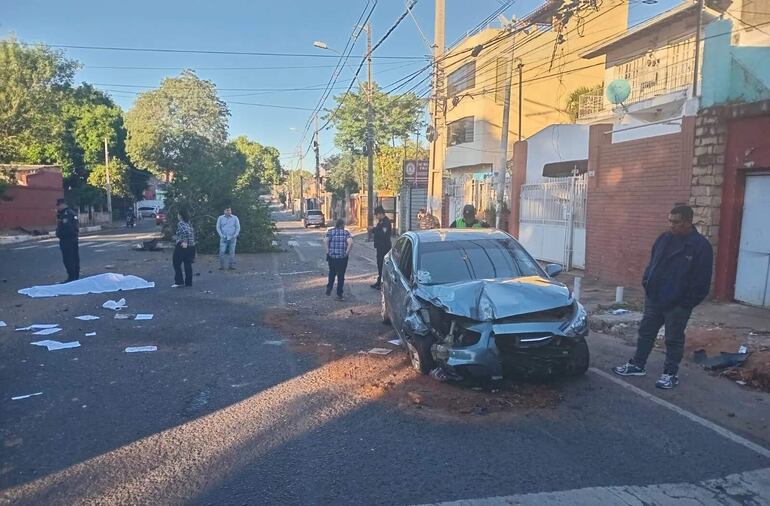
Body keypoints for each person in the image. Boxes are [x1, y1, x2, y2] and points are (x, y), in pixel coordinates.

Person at [613, 205, 713, 389]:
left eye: (676, 222)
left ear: (688, 222)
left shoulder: (700, 247)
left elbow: (702, 282)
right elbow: (653, 262)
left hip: (678, 304)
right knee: (646, 333)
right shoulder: (664, 239)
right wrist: (647, 282)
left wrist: (686, 303)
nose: (672, 225)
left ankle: (670, 374)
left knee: (673, 339)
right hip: (655, 298)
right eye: (670, 221)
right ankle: (637, 365)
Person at [325, 218, 353, 301]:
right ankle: (339, 294)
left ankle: (329, 287)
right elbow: (351, 242)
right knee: (341, 276)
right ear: (342, 225)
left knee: (332, 272)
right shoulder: (346, 233)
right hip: (342, 258)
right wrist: (347, 252)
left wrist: (328, 252)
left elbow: (325, 241)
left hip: (332, 257)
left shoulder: (330, 232)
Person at [56, 198, 80, 283]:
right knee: (74, 258)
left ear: (63, 204)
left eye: (58, 205)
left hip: (67, 240)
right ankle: (75, 276)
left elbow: (67, 228)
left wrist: (60, 234)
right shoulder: (71, 212)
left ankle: (71, 277)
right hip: (73, 239)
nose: (58, 207)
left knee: (68, 259)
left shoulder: (66, 214)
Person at [172, 209, 196, 288]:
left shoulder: (181, 223)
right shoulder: (189, 223)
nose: (177, 216)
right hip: (191, 246)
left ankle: (179, 281)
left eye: (178, 214)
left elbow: (186, 232)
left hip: (183, 246)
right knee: (187, 264)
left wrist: (184, 241)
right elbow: (191, 233)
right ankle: (188, 282)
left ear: (180, 216)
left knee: (176, 263)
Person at [370, 206, 392, 290]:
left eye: (376, 215)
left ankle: (383, 283)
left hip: (384, 247)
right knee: (379, 265)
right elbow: (378, 229)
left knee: (383, 265)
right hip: (380, 247)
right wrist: (373, 229)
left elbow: (382, 234)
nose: (376, 217)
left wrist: (374, 230)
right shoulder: (381, 222)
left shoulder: (386, 222)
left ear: (380, 214)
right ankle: (379, 281)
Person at [216, 206, 241, 270]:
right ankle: (221, 266)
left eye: (229, 210)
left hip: (232, 238)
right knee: (222, 252)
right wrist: (221, 235)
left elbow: (238, 227)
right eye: (227, 210)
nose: (228, 211)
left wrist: (235, 235)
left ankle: (231, 266)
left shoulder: (235, 218)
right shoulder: (220, 218)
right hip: (223, 238)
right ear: (224, 211)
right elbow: (218, 227)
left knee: (232, 252)